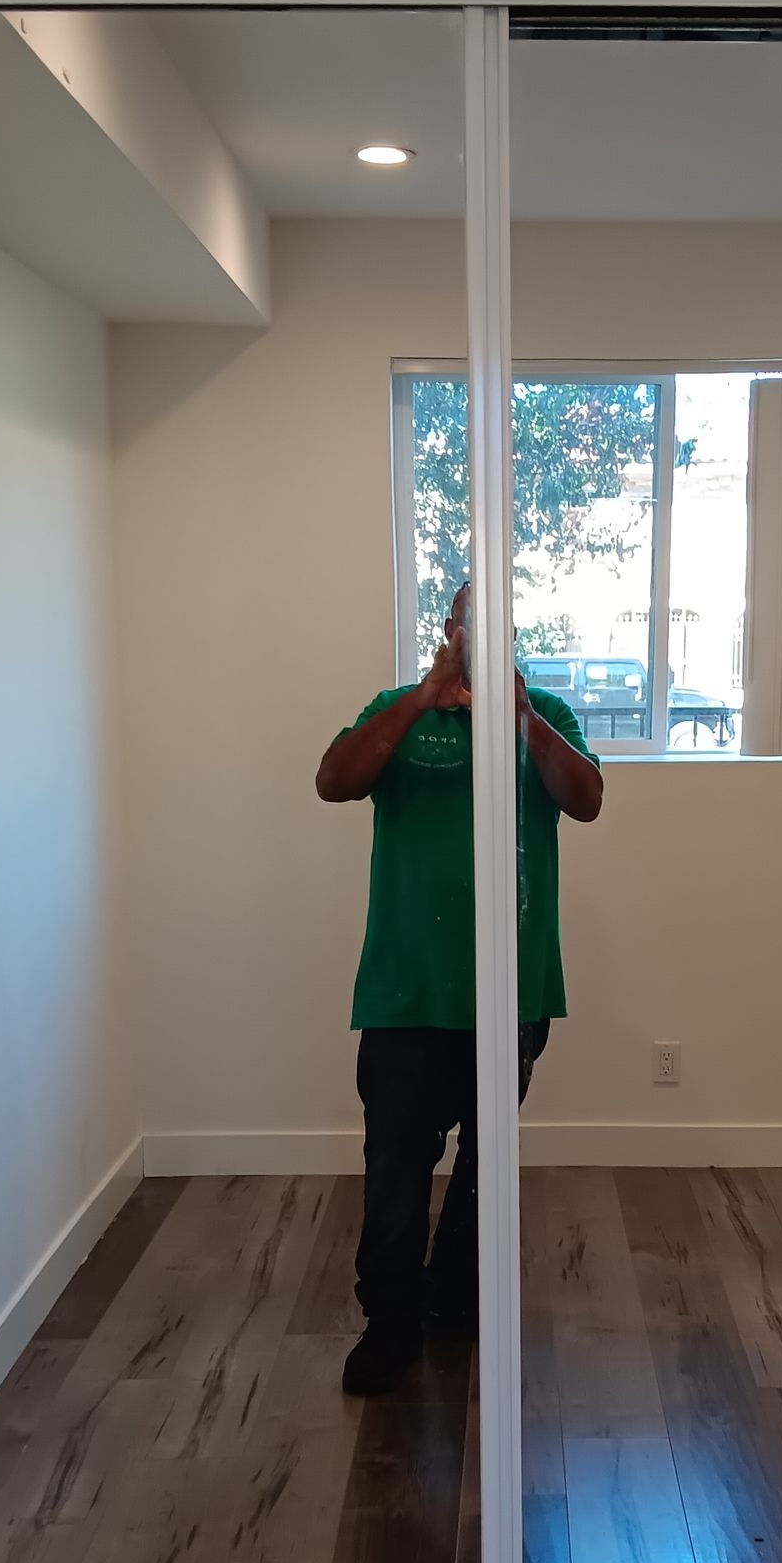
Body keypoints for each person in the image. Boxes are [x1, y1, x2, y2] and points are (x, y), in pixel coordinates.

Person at [315, 581, 602, 1395]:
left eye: (503, 623)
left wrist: (521, 719)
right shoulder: (394, 708)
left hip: (510, 992)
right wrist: (420, 701)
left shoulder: (541, 709)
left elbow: (586, 801)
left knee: (487, 1160)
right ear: (450, 628)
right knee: (397, 1164)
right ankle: (391, 1322)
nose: (487, 634)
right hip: (406, 990)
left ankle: (456, 1297)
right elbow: (334, 780)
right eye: (473, 622)